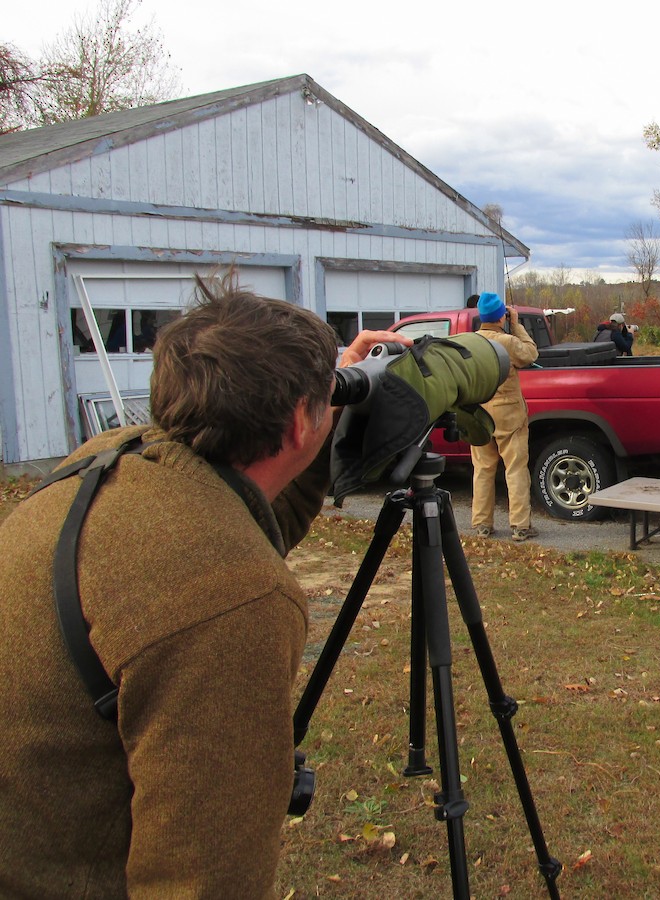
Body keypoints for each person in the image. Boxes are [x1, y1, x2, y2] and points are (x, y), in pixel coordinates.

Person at [0, 271, 411, 897]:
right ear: (302, 420)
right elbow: (203, 879)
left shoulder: (112, 463)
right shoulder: (232, 599)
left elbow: (243, 509)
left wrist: (333, 392)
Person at [470, 292, 540, 541]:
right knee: (515, 469)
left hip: (478, 413)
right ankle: (520, 526)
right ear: (502, 316)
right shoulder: (507, 342)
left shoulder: (470, 342)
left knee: (482, 469)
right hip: (509, 415)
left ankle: (482, 525)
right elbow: (531, 353)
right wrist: (517, 324)